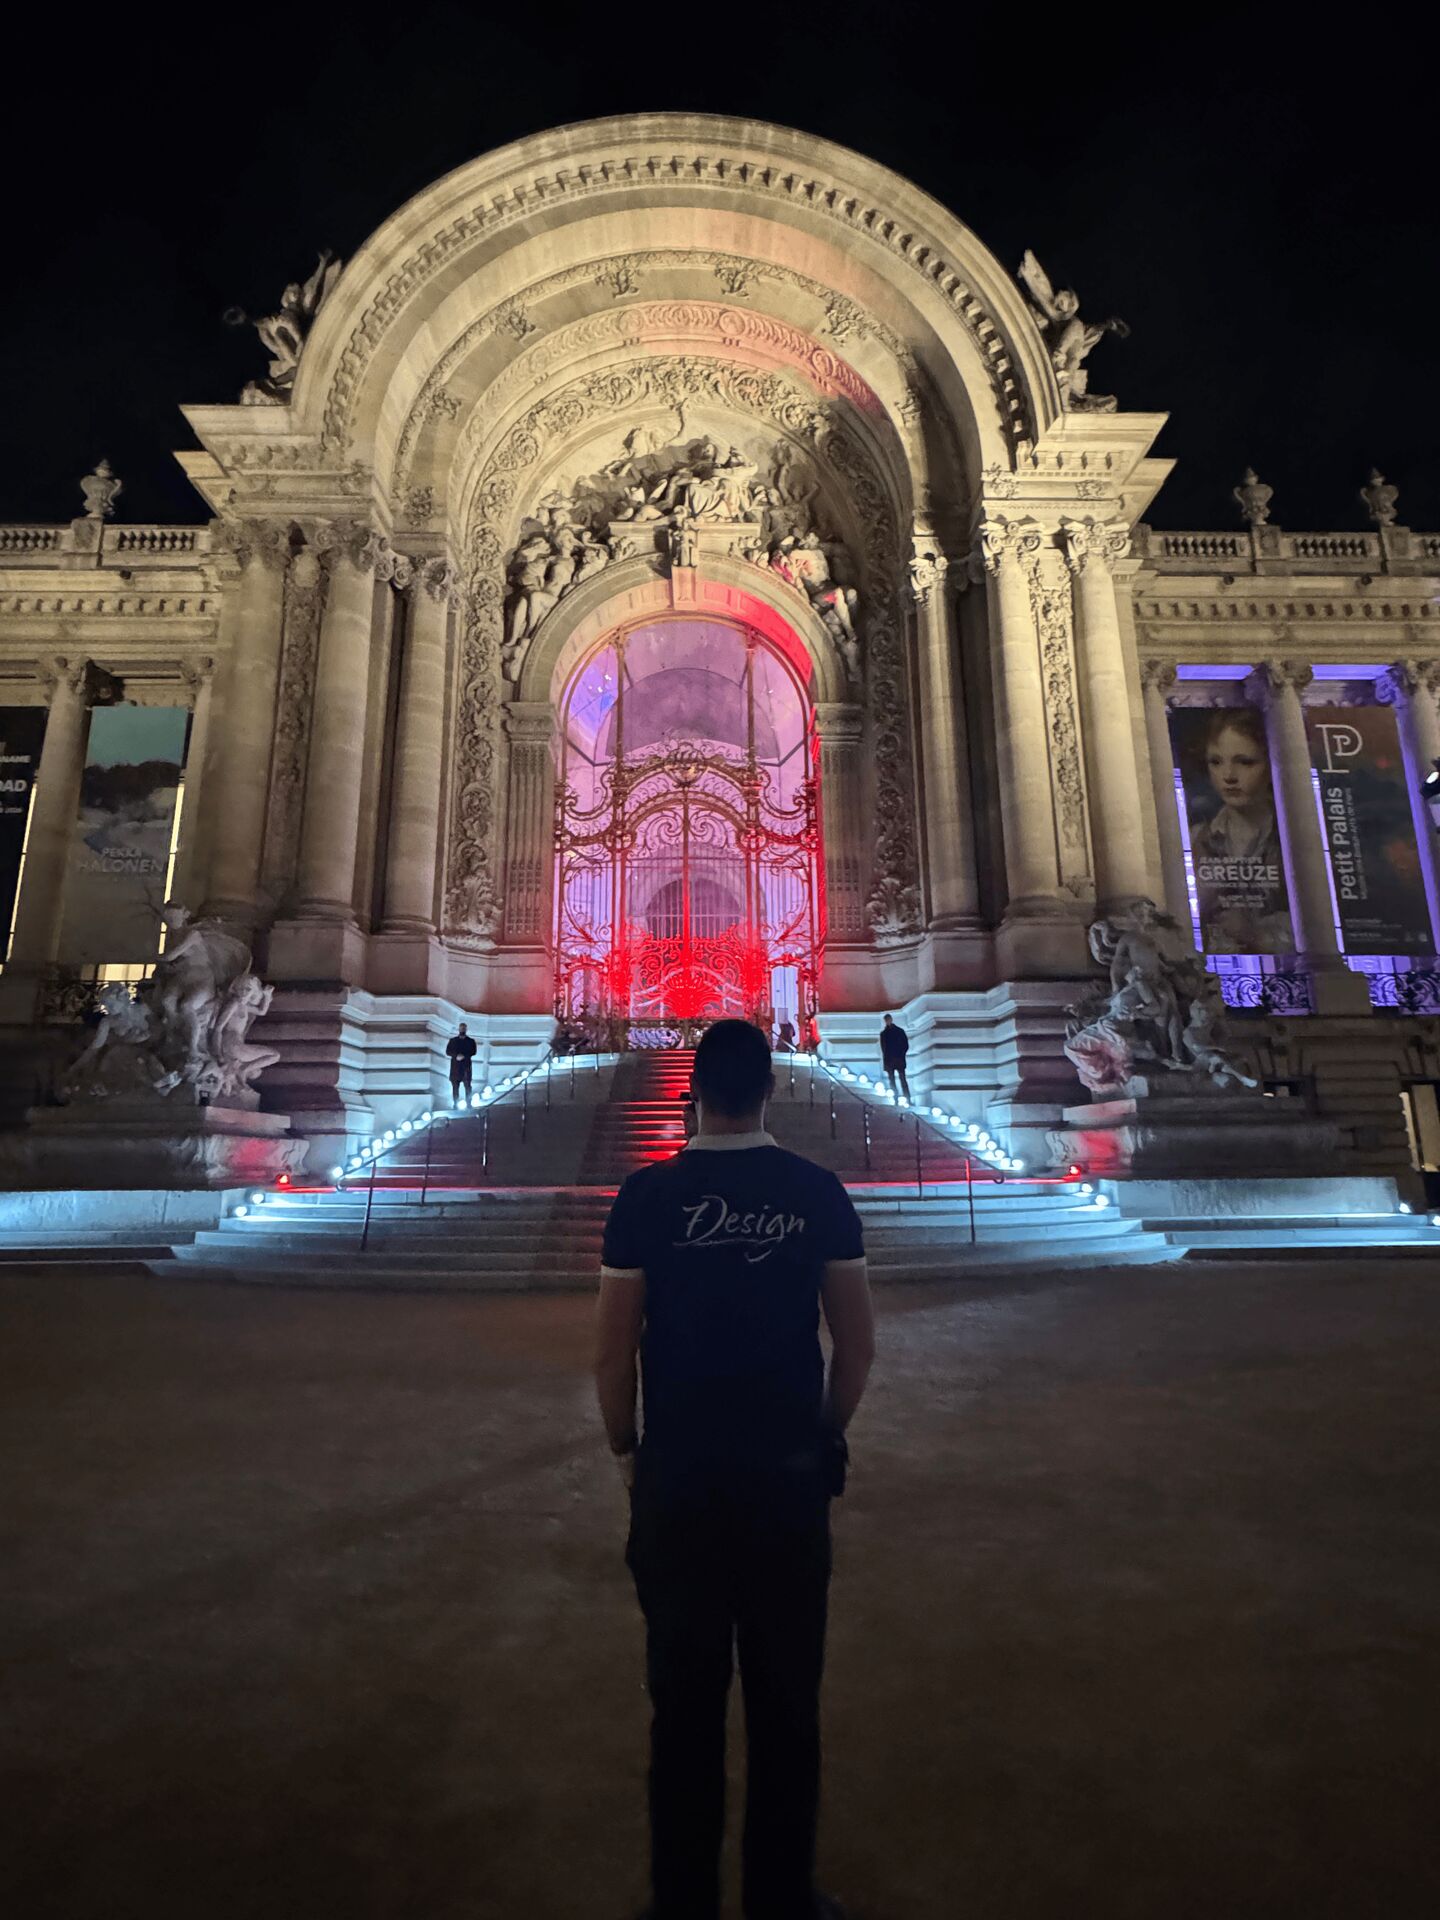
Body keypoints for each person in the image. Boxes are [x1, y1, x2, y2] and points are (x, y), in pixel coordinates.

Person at [596, 1019, 875, 1920]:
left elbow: (613, 1355)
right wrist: (822, 1437)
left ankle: (682, 1903)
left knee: (681, 1708)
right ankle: (781, 1900)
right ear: (771, 1090)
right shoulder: (818, 1191)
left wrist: (628, 1454)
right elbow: (857, 1348)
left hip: (678, 1481)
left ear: (691, 1095)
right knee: (788, 1705)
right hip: (787, 1480)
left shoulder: (644, 1196)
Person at [1187, 710, 1294, 954]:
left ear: (1272, 765)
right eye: (1216, 762)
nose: (1228, 776)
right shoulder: (1194, 839)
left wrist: (1254, 933)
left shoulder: (1297, 839)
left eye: (1245, 762)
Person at [879, 1013, 910, 1102]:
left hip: (898, 1059)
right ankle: (896, 1098)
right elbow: (884, 1049)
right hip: (891, 1060)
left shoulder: (898, 1031)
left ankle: (907, 1098)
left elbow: (905, 1045)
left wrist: (901, 1054)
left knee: (902, 1079)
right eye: (886, 1020)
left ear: (891, 1019)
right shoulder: (884, 1034)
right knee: (893, 1081)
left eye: (888, 1019)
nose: (887, 1021)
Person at [446, 1021, 476, 1106]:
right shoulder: (453, 1040)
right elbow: (448, 1051)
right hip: (455, 1067)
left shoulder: (471, 1041)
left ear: (466, 1029)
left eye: (464, 1028)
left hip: (466, 1067)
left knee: (468, 1086)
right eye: (461, 1028)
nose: (462, 1029)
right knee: (455, 1086)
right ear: (459, 1029)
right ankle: (455, 1104)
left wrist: (464, 1056)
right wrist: (456, 1055)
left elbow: (473, 1051)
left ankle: (469, 1103)